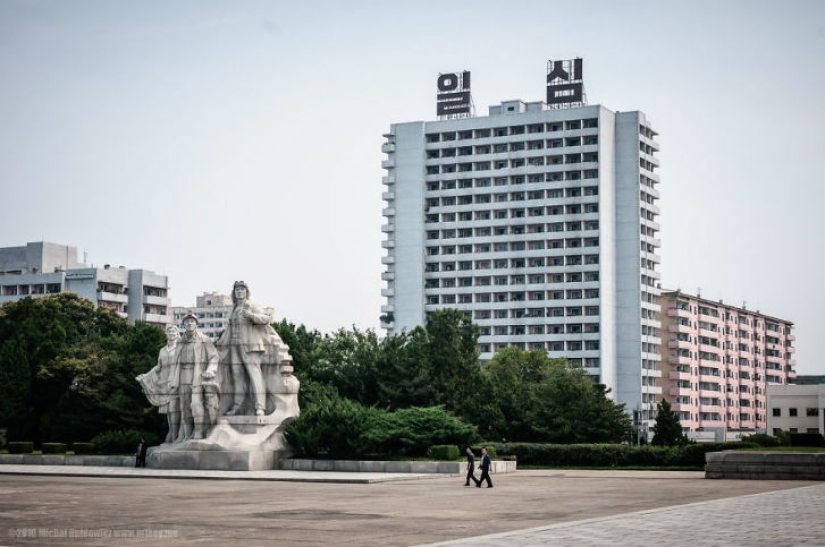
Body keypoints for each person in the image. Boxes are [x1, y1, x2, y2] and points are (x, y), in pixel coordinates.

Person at [216, 281, 273, 417]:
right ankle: (238, 406)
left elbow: (266, 318)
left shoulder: (252, 305)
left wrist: (252, 316)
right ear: (234, 293)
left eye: (242, 289)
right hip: (235, 346)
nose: (239, 292)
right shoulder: (234, 308)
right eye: (237, 290)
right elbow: (229, 329)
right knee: (237, 376)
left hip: (251, 346)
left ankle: (260, 407)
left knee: (255, 375)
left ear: (246, 292)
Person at [170, 313, 220, 440]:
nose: (190, 323)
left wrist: (210, 370)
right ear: (184, 325)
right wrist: (171, 380)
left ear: (196, 324)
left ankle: (198, 432)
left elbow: (214, 356)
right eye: (187, 322)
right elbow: (174, 362)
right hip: (182, 376)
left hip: (197, 375)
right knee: (184, 407)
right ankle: (187, 435)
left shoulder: (204, 339)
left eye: (192, 321)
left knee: (196, 404)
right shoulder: (180, 341)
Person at [136, 324, 181, 443]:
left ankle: (175, 433)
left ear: (177, 334)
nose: (171, 334)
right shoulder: (162, 350)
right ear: (166, 334)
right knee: (168, 411)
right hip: (164, 382)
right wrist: (146, 375)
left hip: (176, 381)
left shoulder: (180, 348)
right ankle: (171, 431)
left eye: (173, 332)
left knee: (174, 408)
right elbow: (158, 366)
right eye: (169, 332)